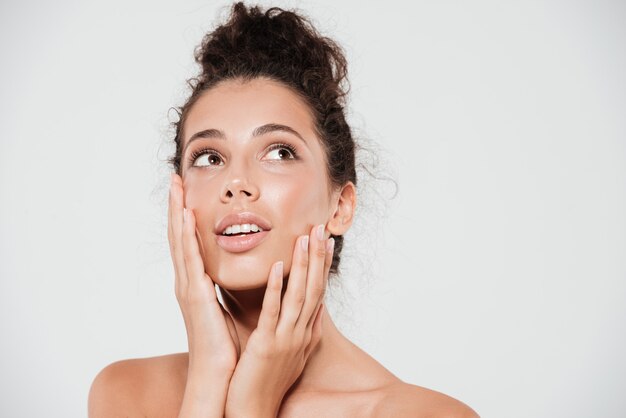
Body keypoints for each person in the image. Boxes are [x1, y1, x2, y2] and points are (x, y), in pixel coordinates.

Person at [88, 3, 479, 417]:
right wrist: (207, 379)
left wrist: (252, 404)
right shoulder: (126, 394)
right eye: (208, 158)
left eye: (279, 151)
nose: (236, 182)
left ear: (341, 206)